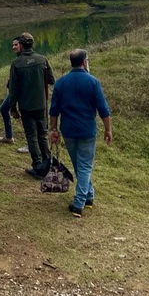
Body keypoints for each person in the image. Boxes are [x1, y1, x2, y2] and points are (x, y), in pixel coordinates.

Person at [49, 49, 112, 218]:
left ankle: (89, 195)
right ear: (84, 62)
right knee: (84, 165)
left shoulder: (61, 83)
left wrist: (53, 129)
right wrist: (108, 130)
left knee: (79, 164)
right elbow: (104, 110)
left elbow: (53, 110)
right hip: (87, 131)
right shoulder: (93, 82)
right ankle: (79, 204)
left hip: (68, 130)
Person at [9, 32, 55, 178]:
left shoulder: (16, 63)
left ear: (21, 45)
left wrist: (13, 108)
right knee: (42, 135)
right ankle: (48, 165)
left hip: (26, 106)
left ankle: (38, 167)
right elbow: (51, 80)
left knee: (32, 136)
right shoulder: (42, 59)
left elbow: (13, 89)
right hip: (41, 104)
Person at [0, 36, 21, 144]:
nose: (13, 47)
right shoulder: (16, 60)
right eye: (13, 45)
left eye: (16, 44)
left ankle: (30, 145)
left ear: (22, 45)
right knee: (3, 108)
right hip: (14, 91)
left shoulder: (21, 60)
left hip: (21, 91)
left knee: (27, 116)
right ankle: (9, 136)